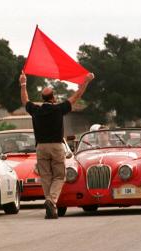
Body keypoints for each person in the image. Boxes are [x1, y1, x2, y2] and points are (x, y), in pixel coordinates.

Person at [20, 71, 94, 219]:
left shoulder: (36, 110)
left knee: (46, 176)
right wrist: (86, 81)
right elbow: (76, 96)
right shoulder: (59, 109)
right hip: (56, 146)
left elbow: (25, 100)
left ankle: (51, 207)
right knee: (60, 176)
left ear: (42, 98)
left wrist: (23, 84)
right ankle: (51, 200)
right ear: (53, 98)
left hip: (41, 147)